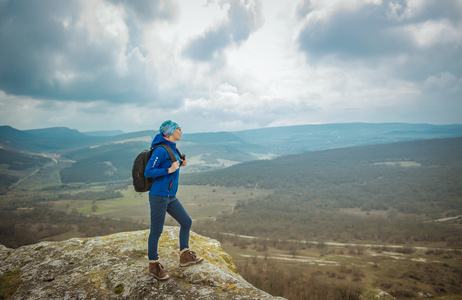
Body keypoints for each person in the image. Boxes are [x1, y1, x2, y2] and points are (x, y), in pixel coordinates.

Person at [144, 120, 203, 281]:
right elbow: (148, 171)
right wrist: (168, 169)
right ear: (170, 132)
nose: (181, 132)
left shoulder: (173, 148)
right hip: (159, 196)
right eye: (179, 129)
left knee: (186, 222)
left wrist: (180, 165)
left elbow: (173, 166)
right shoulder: (161, 150)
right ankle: (153, 265)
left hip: (171, 196)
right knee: (156, 231)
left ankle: (184, 256)